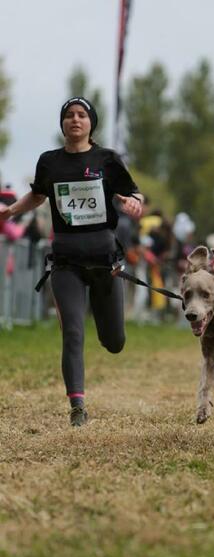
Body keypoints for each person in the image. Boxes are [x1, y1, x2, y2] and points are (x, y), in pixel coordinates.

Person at [0, 97, 143, 426]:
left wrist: (135, 203)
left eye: (81, 115)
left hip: (105, 262)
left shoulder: (107, 159)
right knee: (73, 333)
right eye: (68, 115)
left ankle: (107, 334)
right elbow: (38, 194)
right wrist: (10, 211)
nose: (75, 120)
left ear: (91, 123)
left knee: (114, 342)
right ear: (62, 123)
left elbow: (134, 193)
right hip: (66, 263)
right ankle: (77, 406)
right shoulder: (49, 162)